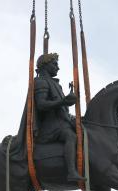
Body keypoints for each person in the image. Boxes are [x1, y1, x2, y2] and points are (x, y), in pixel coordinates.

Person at [33, 52, 85, 182]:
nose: (58, 68)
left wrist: (68, 105)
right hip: (50, 127)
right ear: (45, 65)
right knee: (70, 136)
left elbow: (62, 109)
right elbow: (41, 104)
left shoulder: (56, 84)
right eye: (54, 64)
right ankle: (71, 172)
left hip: (61, 121)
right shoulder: (41, 82)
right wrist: (63, 101)